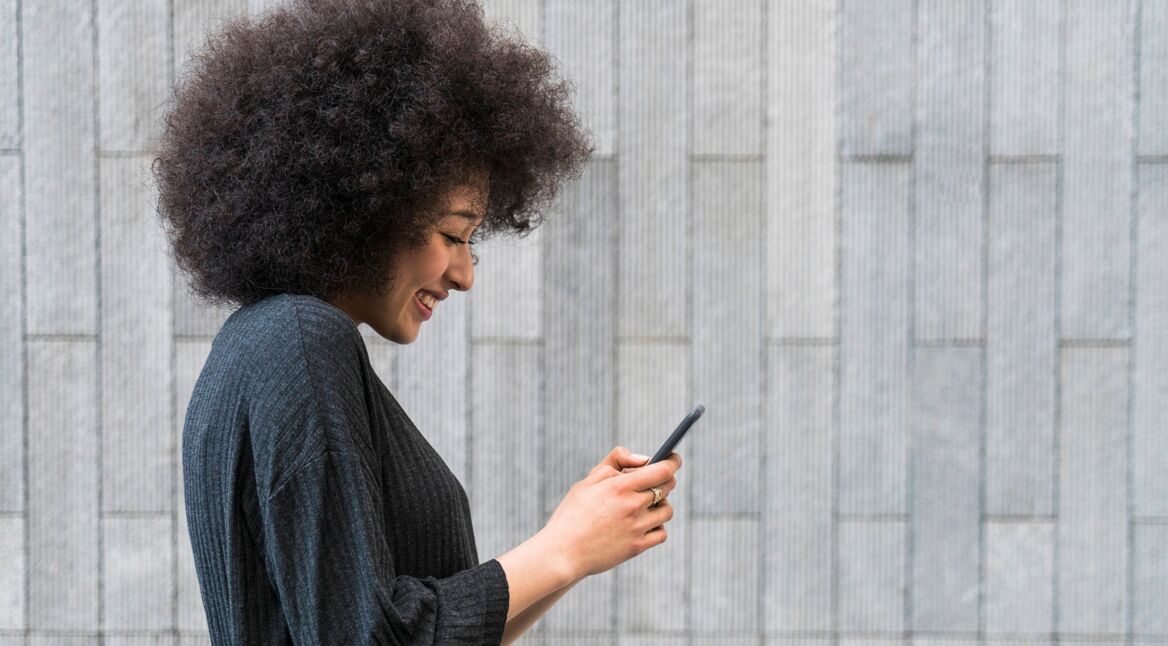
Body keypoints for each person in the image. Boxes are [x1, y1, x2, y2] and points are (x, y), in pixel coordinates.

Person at [155, 0, 683, 644]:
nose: (465, 275)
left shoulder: (263, 344)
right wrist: (563, 547)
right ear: (366, 203)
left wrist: (575, 544)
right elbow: (368, 637)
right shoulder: (297, 342)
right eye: (453, 235)